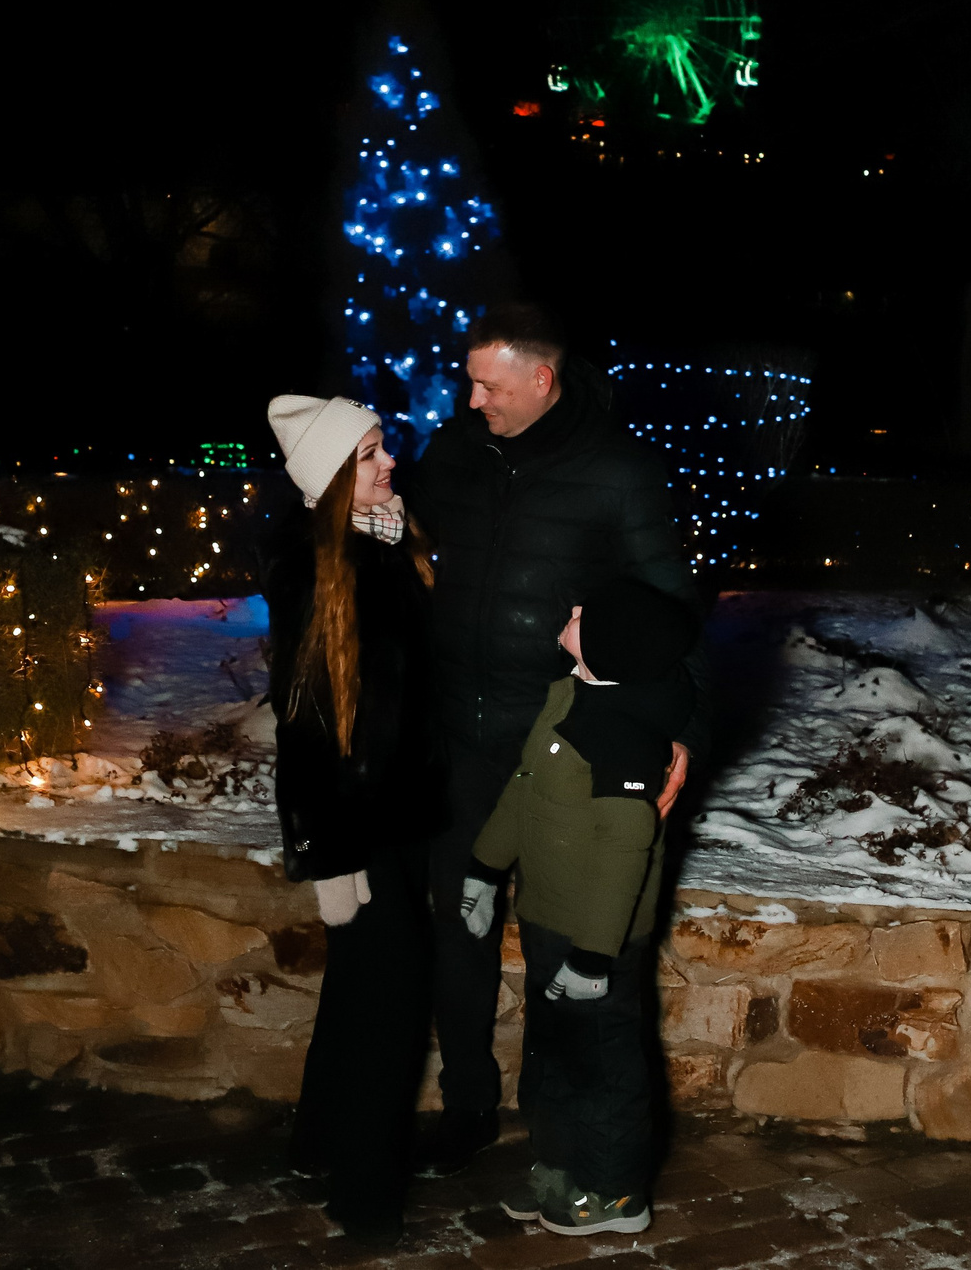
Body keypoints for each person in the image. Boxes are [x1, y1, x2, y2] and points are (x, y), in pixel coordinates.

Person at [400, 302, 704, 1177]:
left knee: (559, 944)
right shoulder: (456, 454)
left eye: (488, 385)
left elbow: (672, 611)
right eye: (468, 381)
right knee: (456, 928)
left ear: (542, 379)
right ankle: (467, 1104)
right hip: (460, 739)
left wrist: (679, 732)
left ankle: (561, 1133)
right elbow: (407, 545)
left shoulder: (620, 472)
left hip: (563, 747)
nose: (471, 399)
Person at [460, 579, 698, 1236]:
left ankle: (616, 1192)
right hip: (547, 915)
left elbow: (625, 852)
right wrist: (485, 867)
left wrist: (594, 957)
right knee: (553, 1058)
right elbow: (525, 787)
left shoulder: (622, 736)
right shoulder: (571, 695)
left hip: (597, 935)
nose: (569, 613)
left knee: (602, 1065)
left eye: (583, 614)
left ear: (610, 645)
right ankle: (560, 1168)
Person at [262, 393, 440, 1244]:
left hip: (402, 815)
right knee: (389, 1008)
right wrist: (327, 855)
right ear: (332, 476)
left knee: (359, 990)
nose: (389, 461)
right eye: (369, 454)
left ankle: (319, 1141)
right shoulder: (317, 568)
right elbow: (302, 727)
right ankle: (365, 1197)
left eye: (383, 447)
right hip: (356, 829)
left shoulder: (388, 544)